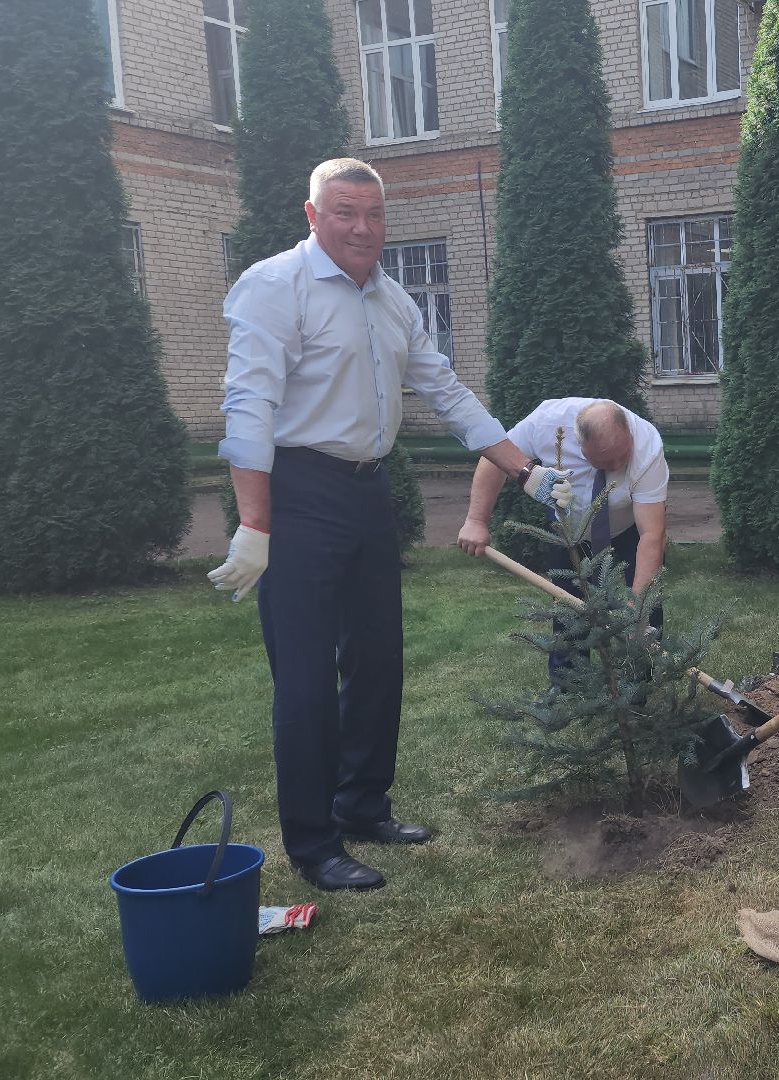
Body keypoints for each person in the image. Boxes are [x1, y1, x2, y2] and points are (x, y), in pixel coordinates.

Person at [210, 158, 570, 892]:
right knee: (306, 680)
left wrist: (523, 469)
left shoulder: (393, 299)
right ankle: (313, 845)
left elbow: (447, 389)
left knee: (377, 661)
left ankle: (362, 805)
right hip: (299, 493)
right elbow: (247, 408)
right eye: (345, 213)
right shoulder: (275, 287)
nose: (363, 228)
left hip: (371, 491)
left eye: (374, 215)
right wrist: (255, 524)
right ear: (312, 215)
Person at [458, 398, 668, 673]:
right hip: (568, 530)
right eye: (606, 460)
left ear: (628, 431)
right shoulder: (546, 423)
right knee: (567, 610)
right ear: (580, 448)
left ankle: (637, 692)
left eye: (622, 454)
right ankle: (567, 689)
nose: (617, 464)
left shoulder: (647, 447)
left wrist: (637, 609)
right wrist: (476, 520)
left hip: (627, 529)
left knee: (645, 610)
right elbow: (496, 459)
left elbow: (652, 534)